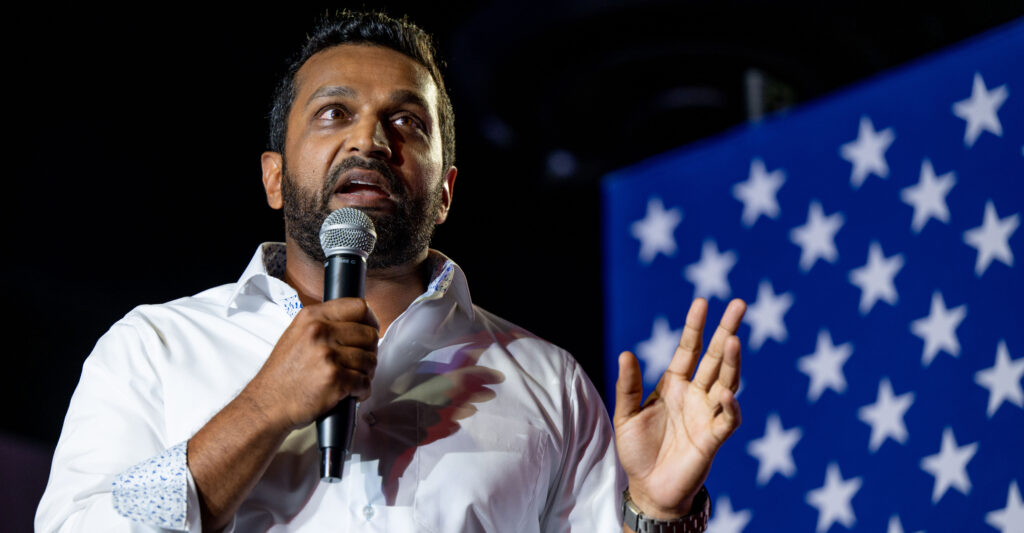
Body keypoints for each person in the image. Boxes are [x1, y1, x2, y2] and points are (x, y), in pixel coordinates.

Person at [35, 11, 746, 533]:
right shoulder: (154, 347)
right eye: (334, 112)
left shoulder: (547, 383)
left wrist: (656, 510)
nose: (370, 138)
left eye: (407, 122)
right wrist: (263, 408)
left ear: (445, 191)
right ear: (274, 178)